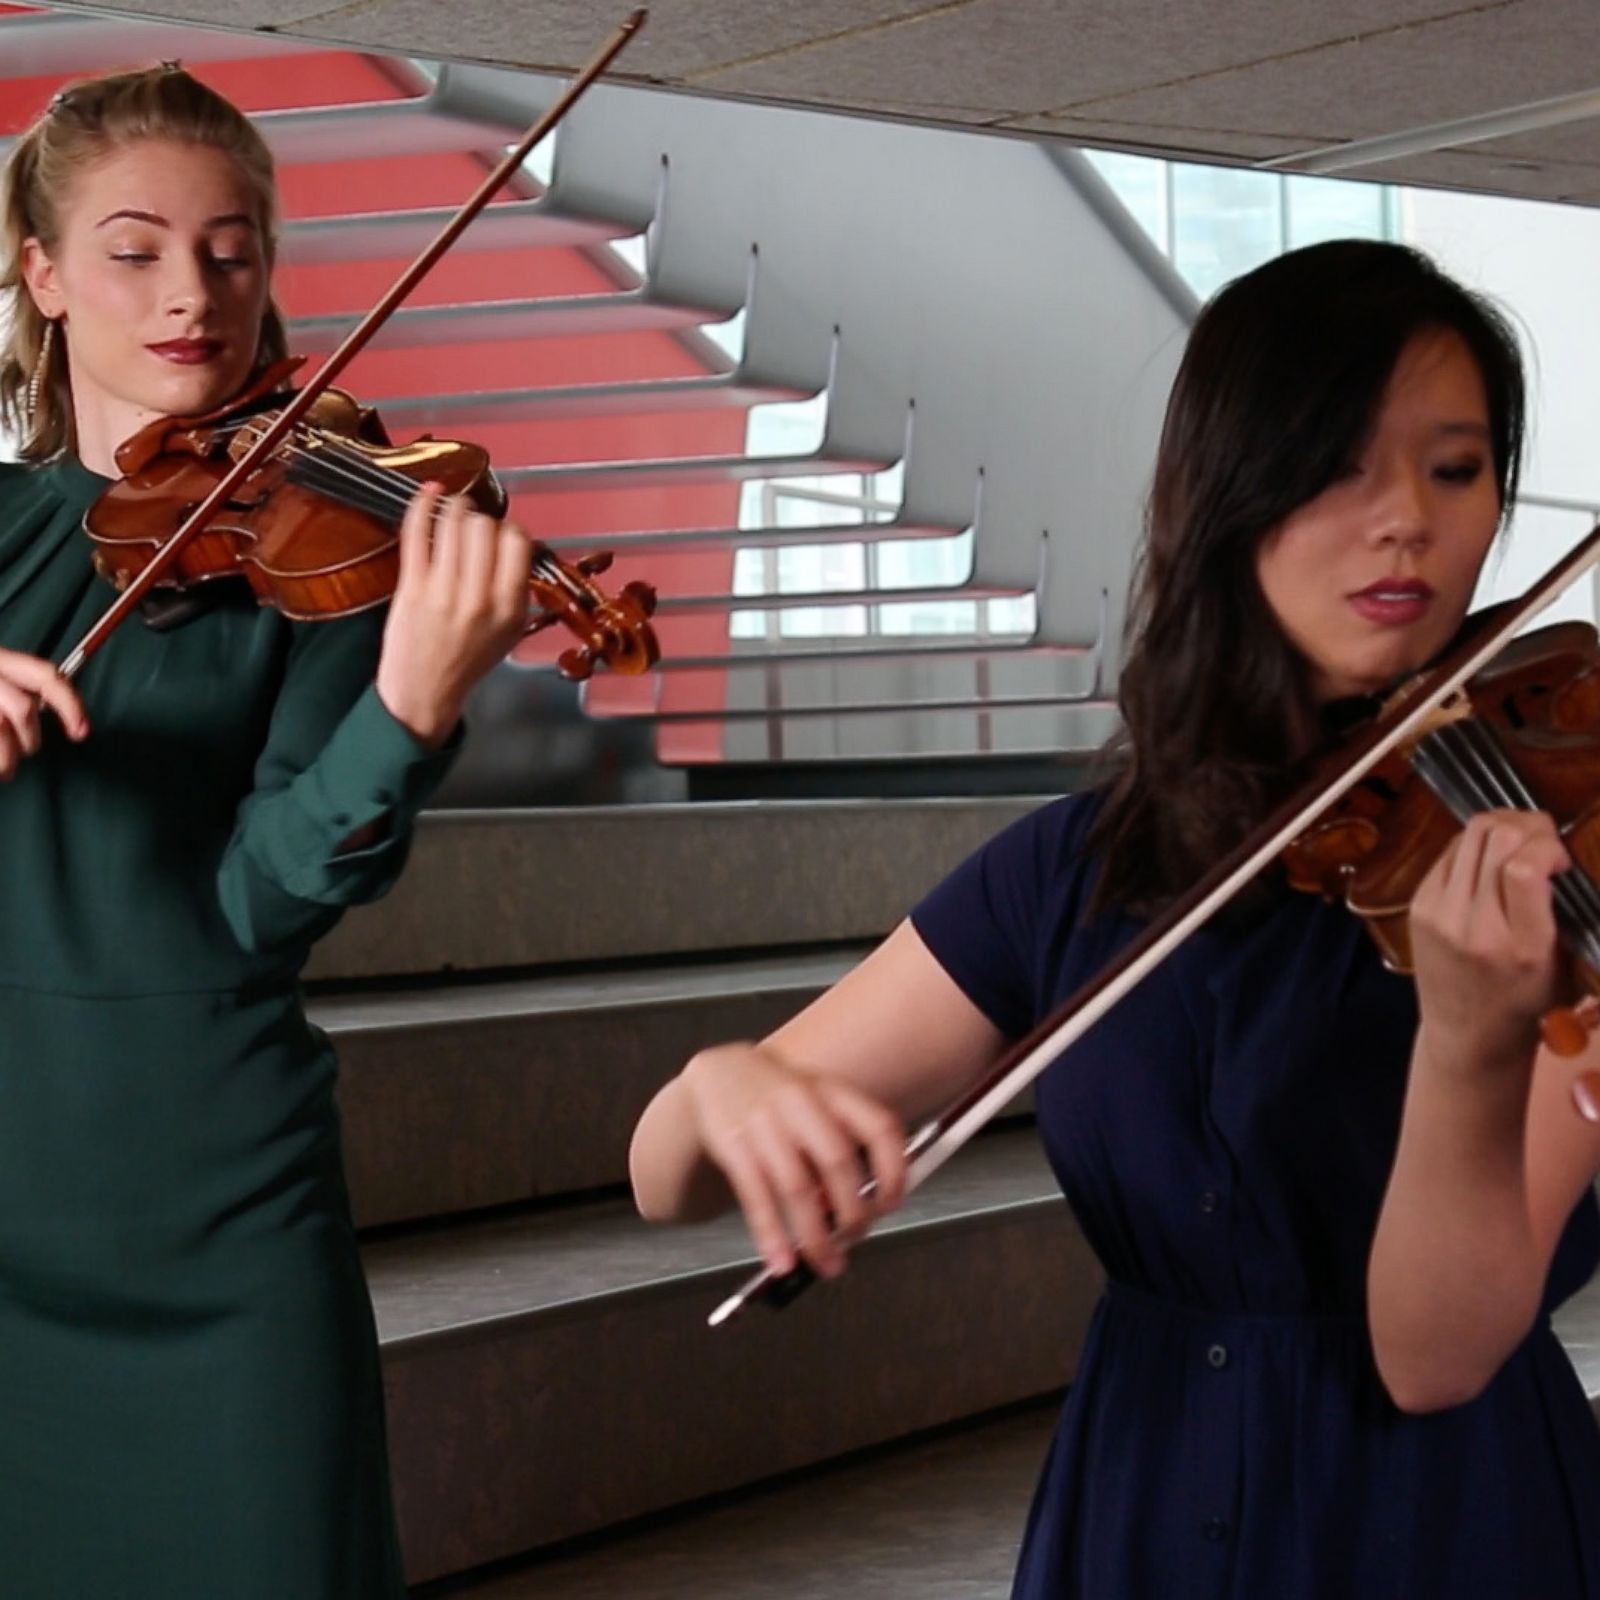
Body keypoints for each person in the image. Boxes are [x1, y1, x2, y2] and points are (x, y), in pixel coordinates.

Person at [629, 239, 1600, 1597]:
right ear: (1228, 494)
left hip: (1441, 1531)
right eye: (1339, 466)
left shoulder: (1555, 878)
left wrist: (1472, 1043)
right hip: (1138, 1513)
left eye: (1455, 468)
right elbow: (663, 1176)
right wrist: (721, 1087)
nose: (1408, 525)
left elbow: (1432, 1357)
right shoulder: (1079, 867)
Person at [0, 65, 531, 1598]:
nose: (192, 292)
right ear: (42, 271)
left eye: (233, 250)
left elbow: (265, 900)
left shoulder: (327, 543)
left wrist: (412, 703)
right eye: (136, 246)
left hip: (222, 1211)